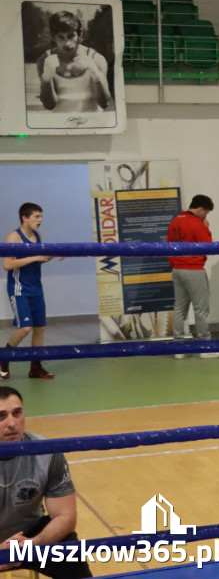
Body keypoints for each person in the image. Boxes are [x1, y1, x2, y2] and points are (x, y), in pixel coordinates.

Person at [0, 387, 92, 578]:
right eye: (1, 416)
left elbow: (65, 516)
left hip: (29, 535)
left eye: (17, 413)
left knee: (70, 553)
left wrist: (32, 544)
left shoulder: (46, 451)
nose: (12, 423)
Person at [3, 203, 59, 380]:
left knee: (40, 327)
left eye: (41, 216)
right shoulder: (13, 238)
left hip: (36, 287)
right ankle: (3, 358)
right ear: (24, 218)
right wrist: (34, 256)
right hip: (19, 289)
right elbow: (7, 264)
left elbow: (39, 261)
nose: (41, 220)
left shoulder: (38, 235)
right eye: (36, 217)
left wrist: (53, 254)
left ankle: (36, 368)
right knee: (25, 328)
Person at [167, 194, 219, 358]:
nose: (206, 216)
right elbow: (208, 247)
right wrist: (206, 227)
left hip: (177, 269)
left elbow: (168, 245)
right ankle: (205, 347)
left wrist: (174, 265)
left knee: (179, 308)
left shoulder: (175, 221)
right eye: (206, 213)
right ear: (201, 210)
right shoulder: (197, 223)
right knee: (201, 308)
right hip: (194, 269)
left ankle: (178, 348)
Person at [36, 11, 112, 113]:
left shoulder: (96, 58)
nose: (67, 43)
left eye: (71, 36)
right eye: (61, 37)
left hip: (91, 123)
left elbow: (105, 104)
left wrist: (96, 75)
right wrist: (47, 78)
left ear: (79, 34)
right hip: (59, 123)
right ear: (54, 37)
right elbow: (49, 105)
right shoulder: (45, 60)